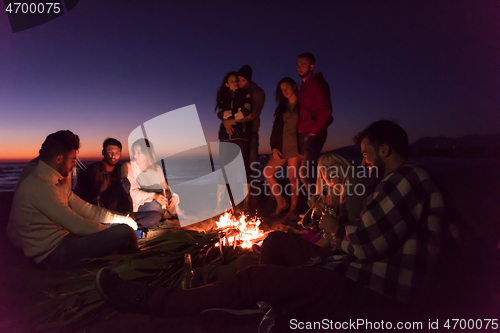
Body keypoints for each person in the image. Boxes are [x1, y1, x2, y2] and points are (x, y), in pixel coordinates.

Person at [95, 120, 459, 319]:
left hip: (364, 288)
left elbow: (363, 247)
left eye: (365, 155)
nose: (362, 162)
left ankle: (154, 301)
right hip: (346, 267)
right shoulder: (407, 182)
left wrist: (336, 231)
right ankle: (269, 311)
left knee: (253, 277)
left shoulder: (407, 179)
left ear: (385, 150)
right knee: (275, 241)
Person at [6, 130, 138, 269]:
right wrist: (113, 231)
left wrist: (123, 218)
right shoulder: (38, 185)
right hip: (53, 253)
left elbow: (88, 209)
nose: (75, 166)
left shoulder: (56, 182)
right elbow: (77, 225)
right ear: (59, 159)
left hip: (66, 239)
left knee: (122, 227)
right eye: (73, 160)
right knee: (125, 233)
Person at [224, 65, 265, 210]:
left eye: (241, 80)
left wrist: (233, 120)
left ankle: (254, 202)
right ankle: (239, 201)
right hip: (240, 134)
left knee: (252, 166)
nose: (238, 82)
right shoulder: (239, 93)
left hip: (251, 133)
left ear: (247, 80)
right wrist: (226, 119)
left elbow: (253, 113)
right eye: (237, 80)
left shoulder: (257, 92)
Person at [264, 77, 302, 221]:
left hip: (296, 146)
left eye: (287, 87)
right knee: (267, 172)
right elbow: (276, 128)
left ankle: (293, 209)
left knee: (293, 177)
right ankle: (281, 203)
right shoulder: (281, 107)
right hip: (282, 146)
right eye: (281, 89)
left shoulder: (303, 104)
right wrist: (274, 147)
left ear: (294, 86)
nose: (284, 91)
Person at [296, 52, 333, 197]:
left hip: (313, 134)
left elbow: (327, 109)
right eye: (298, 65)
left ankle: (315, 208)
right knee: (308, 173)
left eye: (302, 65)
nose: (299, 68)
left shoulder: (317, 83)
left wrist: (314, 131)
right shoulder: (304, 86)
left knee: (305, 174)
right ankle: (314, 207)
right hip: (304, 132)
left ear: (312, 66)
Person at [215, 71, 252, 210]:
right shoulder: (223, 98)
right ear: (226, 84)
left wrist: (228, 120)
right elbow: (220, 113)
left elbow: (246, 111)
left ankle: (245, 203)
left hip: (241, 135)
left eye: (236, 80)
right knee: (225, 170)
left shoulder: (245, 94)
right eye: (232, 81)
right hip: (225, 137)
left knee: (243, 169)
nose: (235, 82)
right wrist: (229, 119)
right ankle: (222, 203)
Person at [122, 138, 178, 229]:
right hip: (137, 206)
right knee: (157, 205)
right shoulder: (128, 167)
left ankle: (170, 214)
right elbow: (130, 193)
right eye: (134, 152)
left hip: (155, 208)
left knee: (163, 205)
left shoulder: (156, 168)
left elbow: (165, 188)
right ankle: (172, 215)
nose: (135, 155)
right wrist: (154, 196)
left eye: (139, 153)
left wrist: (174, 197)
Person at [74, 138, 132, 214]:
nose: (113, 155)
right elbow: (81, 196)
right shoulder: (90, 171)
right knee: (121, 185)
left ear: (120, 154)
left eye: (117, 153)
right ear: (103, 152)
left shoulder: (122, 170)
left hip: (118, 210)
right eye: (109, 152)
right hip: (96, 210)